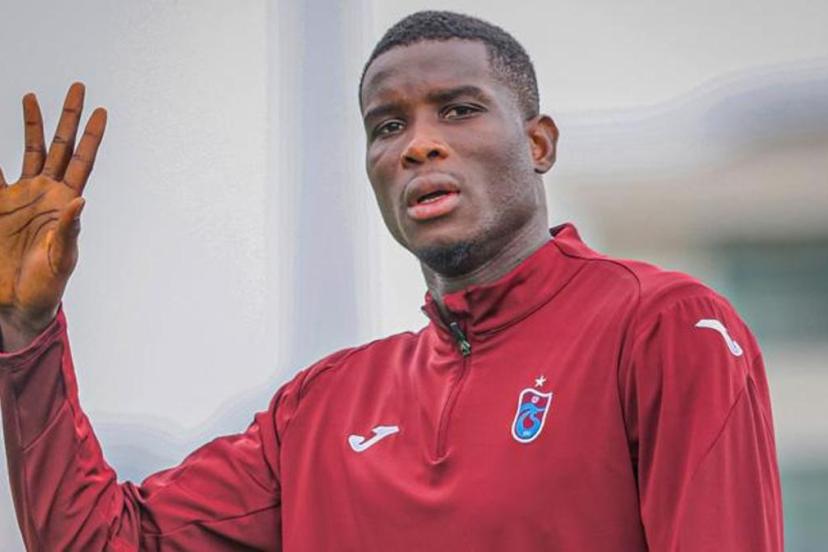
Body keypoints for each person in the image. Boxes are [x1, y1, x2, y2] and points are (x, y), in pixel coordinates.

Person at [0, 10, 783, 551]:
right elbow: (104, 542)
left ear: (539, 144)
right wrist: (25, 334)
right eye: (388, 125)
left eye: (459, 110)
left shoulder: (665, 326)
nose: (417, 145)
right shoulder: (319, 409)